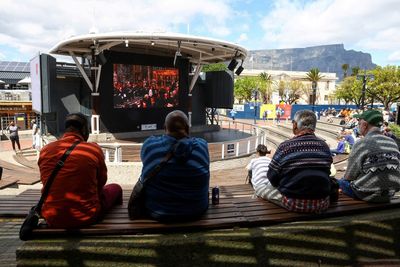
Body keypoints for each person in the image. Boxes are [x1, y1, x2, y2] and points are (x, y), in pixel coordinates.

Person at [38, 113, 122, 228]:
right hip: (86, 217)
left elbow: (45, 180)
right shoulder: (93, 149)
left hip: (52, 217)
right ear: (83, 129)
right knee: (116, 188)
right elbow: (101, 182)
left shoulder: (46, 150)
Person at [133, 110, 210, 221]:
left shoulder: (149, 145)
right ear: (188, 129)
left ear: (165, 128)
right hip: (196, 211)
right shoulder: (202, 146)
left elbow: (146, 163)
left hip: (157, 212)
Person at [257, 110, 333, 213]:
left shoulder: (286, 146)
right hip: (322, 203)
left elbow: (272, 177)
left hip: (294, 203)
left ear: (295, 125)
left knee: (260, 188)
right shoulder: (324, 147)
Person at [337, 110, 400, 203]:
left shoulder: (361, 144)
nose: (358, 126)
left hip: (366, 194)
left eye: (359, 123)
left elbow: (349, 176)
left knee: (338, 181)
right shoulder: (392, 142)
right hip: (389, 194)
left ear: (365, 125)